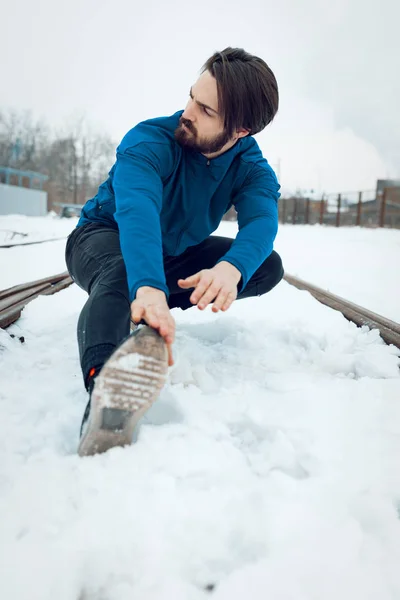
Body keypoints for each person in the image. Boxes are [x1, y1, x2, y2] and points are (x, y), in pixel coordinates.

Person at [65, 47, 284, 457]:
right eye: (192, 97)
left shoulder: (251, 167)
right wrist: (147, 285)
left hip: (172, 255)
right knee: (123, 272)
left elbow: (262, 222)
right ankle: (105, 395)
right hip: (103, 236)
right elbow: (137, 211)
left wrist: (230, 269)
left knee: (265, 267)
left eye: (206, 110)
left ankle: (151, 299)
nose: (188, 112)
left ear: (241, 131)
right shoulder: (150, 139)